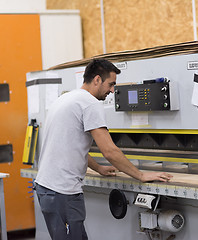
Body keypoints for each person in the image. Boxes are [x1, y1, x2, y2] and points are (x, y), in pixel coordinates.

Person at [34, 58, 173, 240]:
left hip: (47, 189)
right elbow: (109, 151)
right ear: (97, 79)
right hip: (63, 193)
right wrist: (141, 175)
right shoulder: (90, 104)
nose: (113, 90)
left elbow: (70, 145)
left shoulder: (66, 99)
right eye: (111, 84)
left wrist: (98, 168)